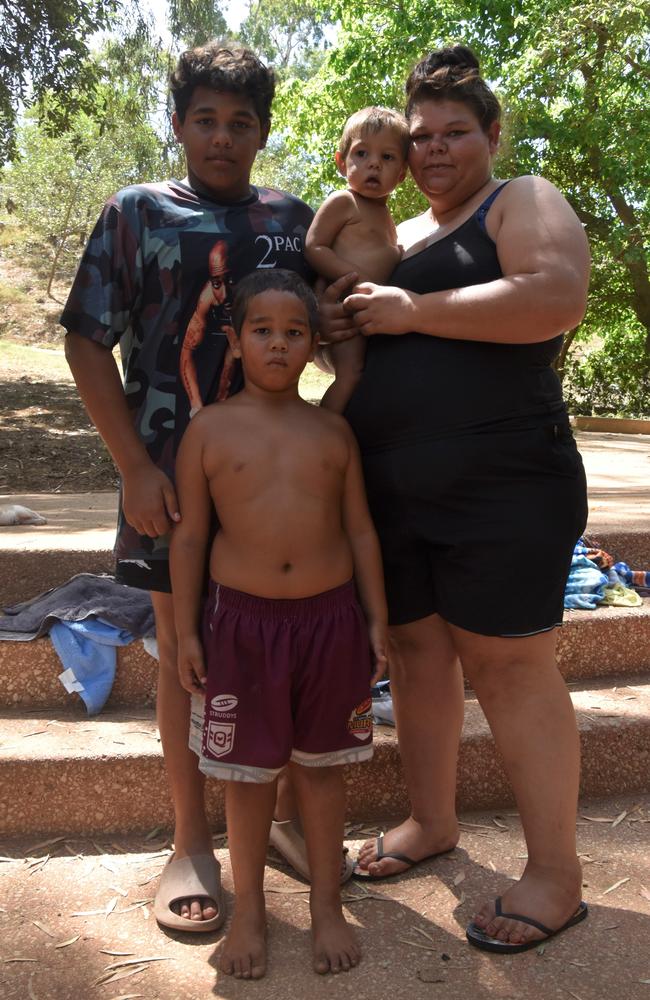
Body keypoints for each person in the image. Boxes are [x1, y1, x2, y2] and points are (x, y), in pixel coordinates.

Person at [330, 45, 591, 955]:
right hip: (393, 489)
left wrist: (412, 311)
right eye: (419, 136)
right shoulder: (391, 237)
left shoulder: (523, 198)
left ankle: (555, 873)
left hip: (506, 481)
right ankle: (431, 822)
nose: (434, 150)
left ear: (490, 135)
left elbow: (555, 295)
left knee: (511, 667)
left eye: (454, 133)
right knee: (415, 652)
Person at [61, 43, 317, 933]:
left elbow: (341, 321)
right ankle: (190, 841)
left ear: (264, 131)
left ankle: (281, 824)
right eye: (204, 118)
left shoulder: (292, 220)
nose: (222, 136)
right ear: (177, 124)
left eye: (240, 121)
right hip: (166, 482)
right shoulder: (134, 214)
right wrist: (132, 465)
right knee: (184, 656)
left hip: (275, 492)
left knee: (276, 643)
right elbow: (87, 340)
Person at [170, 269, 388, 978]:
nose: (278, 344)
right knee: (247, 778)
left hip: (330, 628)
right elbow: (191, 540)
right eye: (262, 330)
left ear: (314, 346)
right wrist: (187, 633)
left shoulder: (333, 431)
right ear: (235, 340)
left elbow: (360, 534)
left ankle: (328, 904)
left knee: (323, 774)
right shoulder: (209, 429)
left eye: (295, 333)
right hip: (241, 629)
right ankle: (253, 913)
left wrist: (376, 621)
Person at [305, 107, 408, 413]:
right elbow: (314, 246)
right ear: (341, 162)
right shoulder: (344, 201)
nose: (373, 163)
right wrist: (355, 279)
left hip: (372, 316)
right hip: (346, 312)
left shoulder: (387, 217)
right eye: (361, 153)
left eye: (387, 157)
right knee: (350, 375)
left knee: (372, 377)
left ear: (401, 174)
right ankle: (324, 432)